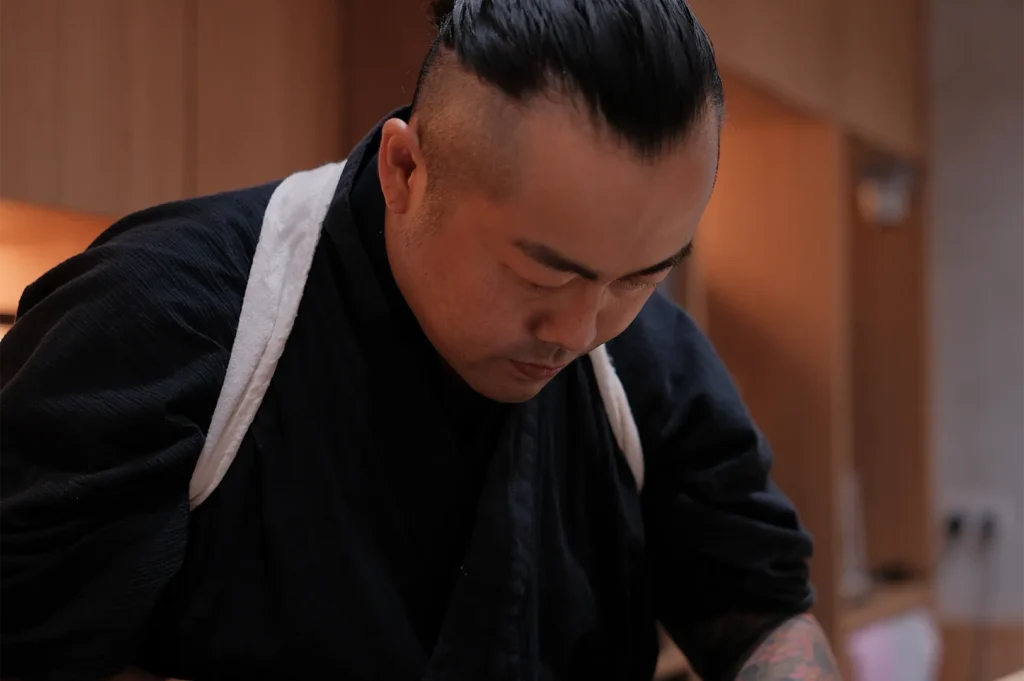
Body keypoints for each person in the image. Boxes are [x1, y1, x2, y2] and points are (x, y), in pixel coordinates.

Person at [0, 1, 841, 680]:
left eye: (639, 277)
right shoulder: (160, 315)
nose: (580, 331)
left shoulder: (647, 357)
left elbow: (761, 607)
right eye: (543, 275)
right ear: (406, 170)